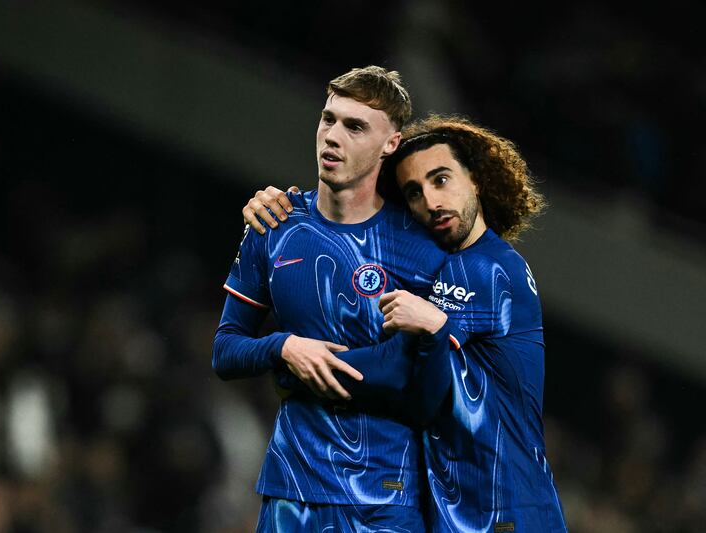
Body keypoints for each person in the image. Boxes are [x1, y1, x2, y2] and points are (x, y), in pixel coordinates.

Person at [243, 115, 568, 532]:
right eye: (414, 192)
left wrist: (291, 362)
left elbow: (400, 369)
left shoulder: (483, 269)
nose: (431, 201)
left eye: (441, 179)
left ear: (476, 180)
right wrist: (293, 206)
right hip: (475, 511)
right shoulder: (463, 264)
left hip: (504, 512)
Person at [211, 66, 454, 532]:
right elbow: (225, 349)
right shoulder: (273, 226)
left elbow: (414, 375)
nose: (333, 137)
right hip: (292, 488)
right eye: (329, 119)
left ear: (391, 144)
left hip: (384, 496)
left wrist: (299, 370)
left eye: (355, 126)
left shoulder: (423, 246)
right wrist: (283, 346)